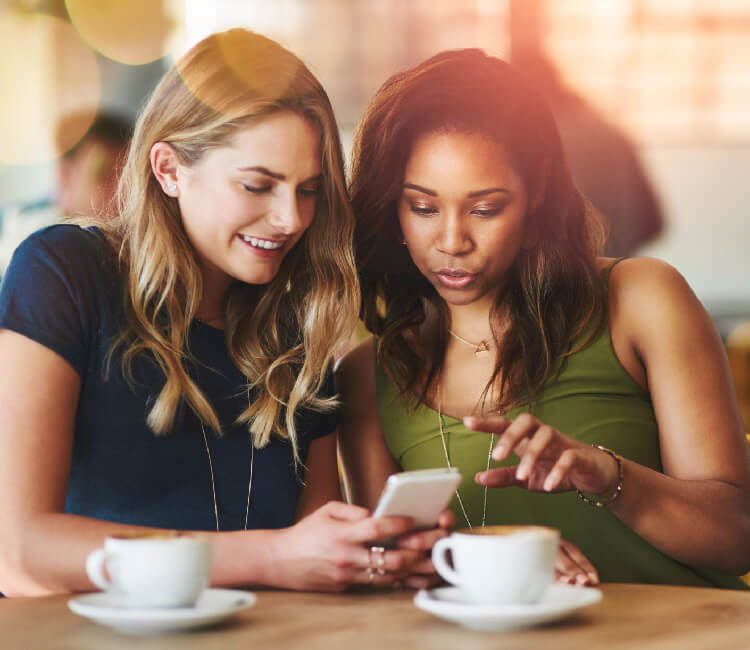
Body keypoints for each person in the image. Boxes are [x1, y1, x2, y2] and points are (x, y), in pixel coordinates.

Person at [0, 29, 441, 597]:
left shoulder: (296, 334)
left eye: (308, 189)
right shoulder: (64, 273)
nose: (291, 219)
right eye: (258, 185)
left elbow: (311, 561)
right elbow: (16, 552)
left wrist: (376, 556)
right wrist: (269, 557)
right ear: (168, 170)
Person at [338, 48, 750, 588]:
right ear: (391, 207)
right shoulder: (371, 373)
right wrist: (473, 560)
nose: (452, 242)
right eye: (423, 207)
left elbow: (736, 537)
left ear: (537, 193)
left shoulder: (642, 299)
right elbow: (394, 572)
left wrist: (608, 477)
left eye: (485, 209)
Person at [0, 112, 133, 273]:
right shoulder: (21, 237)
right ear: (65, 175)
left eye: (129, 175)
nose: (122, 189)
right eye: (103, 173)